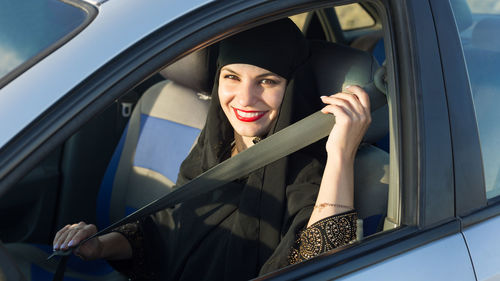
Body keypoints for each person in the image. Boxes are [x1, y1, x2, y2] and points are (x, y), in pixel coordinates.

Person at [52, 18, 371, 280]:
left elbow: (324, 263)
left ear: (292, 87)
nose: (245, 99)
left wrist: (342, 153)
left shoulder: (308, 172)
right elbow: (165, 232)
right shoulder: (215, 147)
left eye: (267, 81)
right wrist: (99, 247)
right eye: (232, 77)